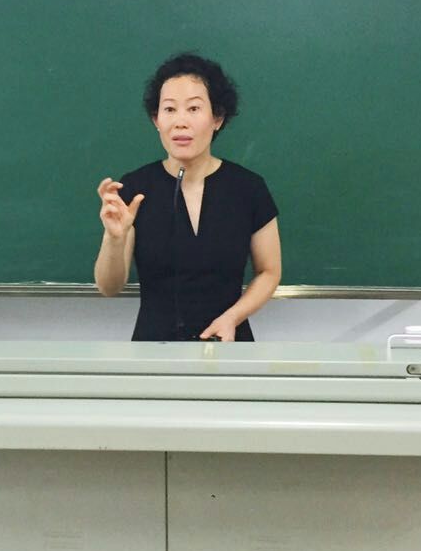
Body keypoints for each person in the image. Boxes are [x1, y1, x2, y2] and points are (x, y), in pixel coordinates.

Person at [94, 53, 282, 341]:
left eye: (194, 108)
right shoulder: (135, 188)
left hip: (228, 345)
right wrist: (114, 239)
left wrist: (232, 317)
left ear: (217, 118)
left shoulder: (248, 188)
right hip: (154, 350)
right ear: (156, 120)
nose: (180, 122)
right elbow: (109, 287)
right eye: (169, 109)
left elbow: (269, 271)